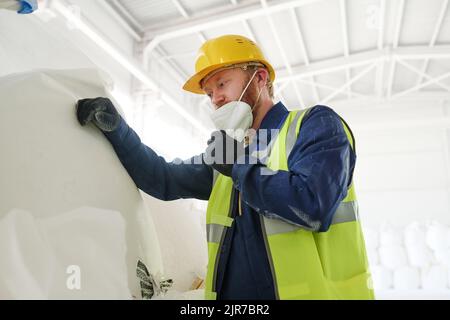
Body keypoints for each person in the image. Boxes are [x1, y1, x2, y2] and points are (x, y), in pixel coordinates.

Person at [76, 34, 374, 300]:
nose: (216, 98)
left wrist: (237, 163)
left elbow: (311, 204)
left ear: (259, 79)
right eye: (209, 93)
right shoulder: (230, 157)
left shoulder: (314, 125)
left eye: (222, 83)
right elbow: (162, 178)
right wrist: (118, 130)